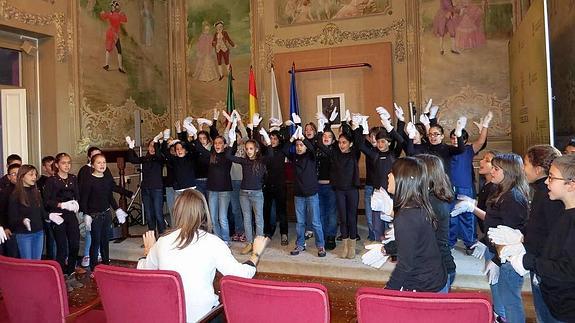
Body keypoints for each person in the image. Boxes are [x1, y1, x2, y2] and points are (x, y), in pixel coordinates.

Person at [137, 189, 270, 322]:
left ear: (176, 211)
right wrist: (256, 254)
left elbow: (143, 272)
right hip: (204, 318)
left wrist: (148, 251)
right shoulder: (213, 243)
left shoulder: (161, 242)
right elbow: (241, 274)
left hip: (170, 316)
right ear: (203, 212)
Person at [491, 154, 575, 323]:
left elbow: (568, 270)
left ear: (570, 185)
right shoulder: (564, 213)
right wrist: (521, 241)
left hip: (566, 307)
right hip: (553, 297)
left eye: (551, 177)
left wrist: (527, 261)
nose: (546, 181)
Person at [452, 153, 530, 322]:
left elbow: (510, 235)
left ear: (508, 172)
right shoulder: (501, 190)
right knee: (499, 296)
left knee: (510, 301)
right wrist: (484, 242)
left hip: (507, 258)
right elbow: (494, 222)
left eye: (496, 168)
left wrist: (496, 259)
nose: (492, 171)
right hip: (495, 251)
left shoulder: (513, 198)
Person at [384, 157, 447, 292]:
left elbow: (405, 266)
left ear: (403, 179)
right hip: (434, 278)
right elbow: (418, 243)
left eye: (392, 173)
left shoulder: (406, 216)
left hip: (424, 286)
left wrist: (387, 293)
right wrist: (389, 248)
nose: (388, 175)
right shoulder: (418, 204)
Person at [521, 145, 563, 322]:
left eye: (525, 164)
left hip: (545, 265)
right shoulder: (541, 191)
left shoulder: (547, 194)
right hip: (541, 261)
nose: (523, 169)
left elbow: (552, 233)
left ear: (538, 169)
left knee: (546, 315)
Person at [316, 113, 362, 259]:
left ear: (350, 144)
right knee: (342, 218)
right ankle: (345, 247)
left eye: (344, 142)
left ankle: (353, 248)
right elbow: (320, 143)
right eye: (340, 142)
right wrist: (324, 126)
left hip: (352, 190)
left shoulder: (354, 154)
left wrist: (354, 125)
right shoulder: (334, 154)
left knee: (351, 218)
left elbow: (359, 141)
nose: (342, 145)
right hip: (339, 191)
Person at [226, 121, 273, 255]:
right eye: (247, 149)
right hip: (243, 193)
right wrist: (232, 141)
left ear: (256, 149)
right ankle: (249, 243)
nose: (248, 151)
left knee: (258, 218)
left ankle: (258, 244)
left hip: (257, 194)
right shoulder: (244, 161)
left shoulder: (261, 160)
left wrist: (268, 141)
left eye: (251, 149)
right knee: (247, 218)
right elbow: (229, 156)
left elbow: (271, 155)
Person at [448, 112, 490, 253]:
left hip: (465, 187)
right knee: (451, 215)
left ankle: (470, 242)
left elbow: (481, 140)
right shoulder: (447, 150)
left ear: (464, 140)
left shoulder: (469, 149)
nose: (455, 140)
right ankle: (450, 241)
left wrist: (485, 125)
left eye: (458, 137)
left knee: (467, 216)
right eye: (453, 137)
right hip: (449, 187)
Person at [80, 154, 128, 272]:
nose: (102, 165)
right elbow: (84, 200)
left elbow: (110, 198)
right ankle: (94, 267)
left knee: (105, 241)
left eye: (104, 162)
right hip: (94, 216)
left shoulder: (107, 180)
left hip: (106, 215)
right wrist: (86, 214)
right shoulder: (89, 181)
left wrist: (117, 210)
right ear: (93, 165)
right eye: (99, 162)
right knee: (95, 242)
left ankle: (106, 265)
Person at [44, 153, 83, 290]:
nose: (67, 165)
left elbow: (77, 195)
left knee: (74, 244)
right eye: (63, 163)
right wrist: (61, 205)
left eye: (69, 162)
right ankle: (62, 277)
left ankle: (71, 272)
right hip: (58, 215)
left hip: (71, 215)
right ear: (57, 164)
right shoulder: (51, 181)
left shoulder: (73, 178)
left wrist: (77, 203)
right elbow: (47, 201)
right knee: (62, 248)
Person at [417, 154, 456, 292]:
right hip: (435, 266)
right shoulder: (430, 197)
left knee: (433, 313)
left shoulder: (434, 202)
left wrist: (387, 248)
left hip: (439, 269)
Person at [285, 125, 326, 257]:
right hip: (298, 195)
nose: (299, 147)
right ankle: (300, 244)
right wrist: (292, 138)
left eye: (301, 145)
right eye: (297, 145)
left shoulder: (311, 156)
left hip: (311, 194)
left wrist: (302, 137)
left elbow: (313, 147)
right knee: (300, 222)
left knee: (315, 222)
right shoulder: (294, 157)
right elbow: (284, 150)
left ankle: (320, 245)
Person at [125, 135, 166, 234]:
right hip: (146, 189)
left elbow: (158, 156)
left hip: (157, 189)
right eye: (150, 146)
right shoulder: (145, 158)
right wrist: (131, 147)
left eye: (154, 146)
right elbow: (133, 159)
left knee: (158, 214)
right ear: (148, 148)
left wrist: (156, 142)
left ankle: (163, 237)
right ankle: (151, 237)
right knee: (148, 214)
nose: (152, 148)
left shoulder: (159, 158)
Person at [8, 165, 50, 260]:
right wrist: (23, 220)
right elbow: (12, 219)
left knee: (37, 261)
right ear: (22, 176)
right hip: (24, 234)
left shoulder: (36, 192)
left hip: (39, 232)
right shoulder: (15, 195)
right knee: (27, 262)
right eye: (31, 174)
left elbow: (42, 212)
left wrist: (50, 216)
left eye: (35, 175)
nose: (34, 177)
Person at [37, 155, 57, 260]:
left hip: (60, 213)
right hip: (48, 214)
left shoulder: (60, 179)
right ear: (44, 168)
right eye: (50, 166)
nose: (53, 168)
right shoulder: (41, 182)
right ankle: (52, 261)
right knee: (51, 239)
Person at [100, 0, 127, 73]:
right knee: (119, 50)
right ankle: (120, 67)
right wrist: (122, 13)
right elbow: (125, 20)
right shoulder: (118, 15)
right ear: (116, 8)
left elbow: (103, 16)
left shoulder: (110, 14)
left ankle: (106, 64)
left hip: (110, 32)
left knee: (108, 49)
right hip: (115, 34)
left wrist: (102, 13)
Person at [0, 163, 21, 257]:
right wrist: (5, 227)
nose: (17, 176)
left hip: (24, 229)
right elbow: (2, 211)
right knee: (13, 255)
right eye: (14, 174)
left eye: (19, 173)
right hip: (10, 229)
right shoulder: (5, 192)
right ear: (8, 177)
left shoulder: (27, 189)